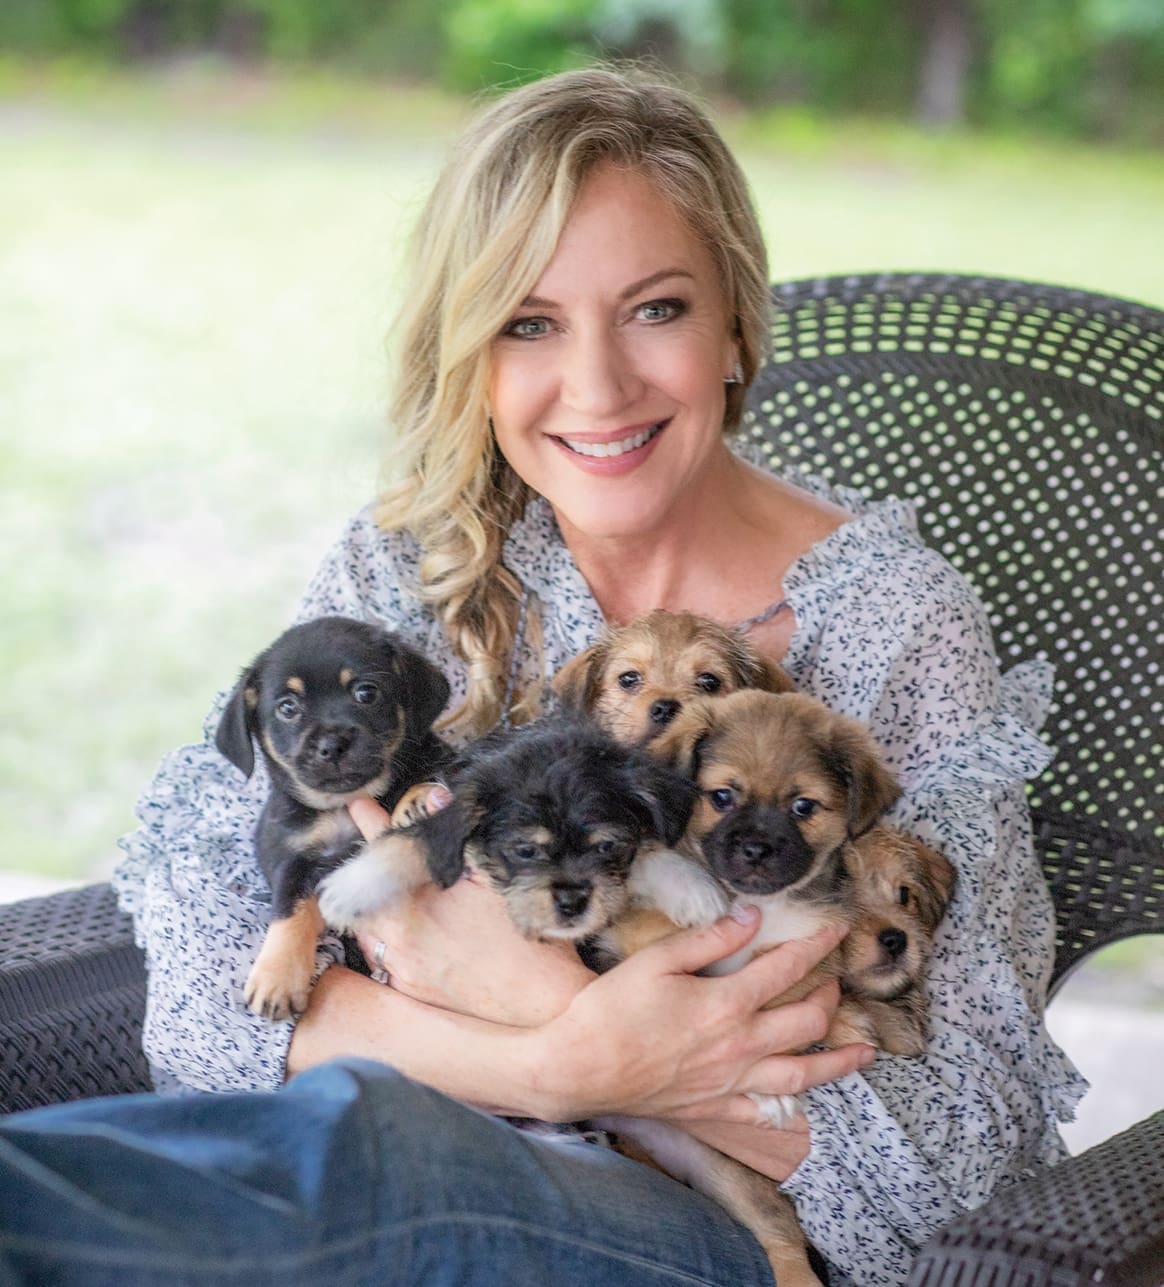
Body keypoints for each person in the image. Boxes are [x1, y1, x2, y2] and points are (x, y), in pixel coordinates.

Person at [98, 65, 1083, 1286]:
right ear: (469, 352)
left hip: (683, 1227)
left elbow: (972, 1159)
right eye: (529, 322)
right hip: (376, 1145)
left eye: (656, 309)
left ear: (737, 326)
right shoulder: (415, 558)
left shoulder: (896, 625)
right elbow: (201, 975)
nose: (600, 386)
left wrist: (574, 1036)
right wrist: (552, 1063)